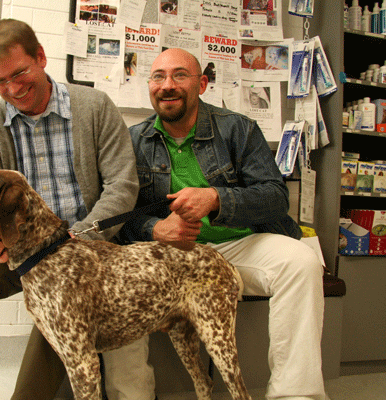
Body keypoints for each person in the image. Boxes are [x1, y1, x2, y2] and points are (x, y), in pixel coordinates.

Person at [0, 19, 155, 400]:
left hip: (80, 246)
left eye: (20, 73)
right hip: (16, 246)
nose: (13, 89)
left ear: (41, 57)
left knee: (62, 287)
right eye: (1, 82)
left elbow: (122, 185)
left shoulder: (95, 107)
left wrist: (81, 236)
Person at [120, 48, 326, 400]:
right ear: (150, 86)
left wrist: (216, 199)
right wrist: (155, 229)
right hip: (170, 257)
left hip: (238, 246)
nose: (167, 85)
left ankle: (296, 395)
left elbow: (275, 197)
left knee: (302, 262)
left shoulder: (238, 129)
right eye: (158, 77)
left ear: (201, 83)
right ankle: (133, 396)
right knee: (120, 283)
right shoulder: (132, 140)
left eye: (179, 75)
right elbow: (122, 216)